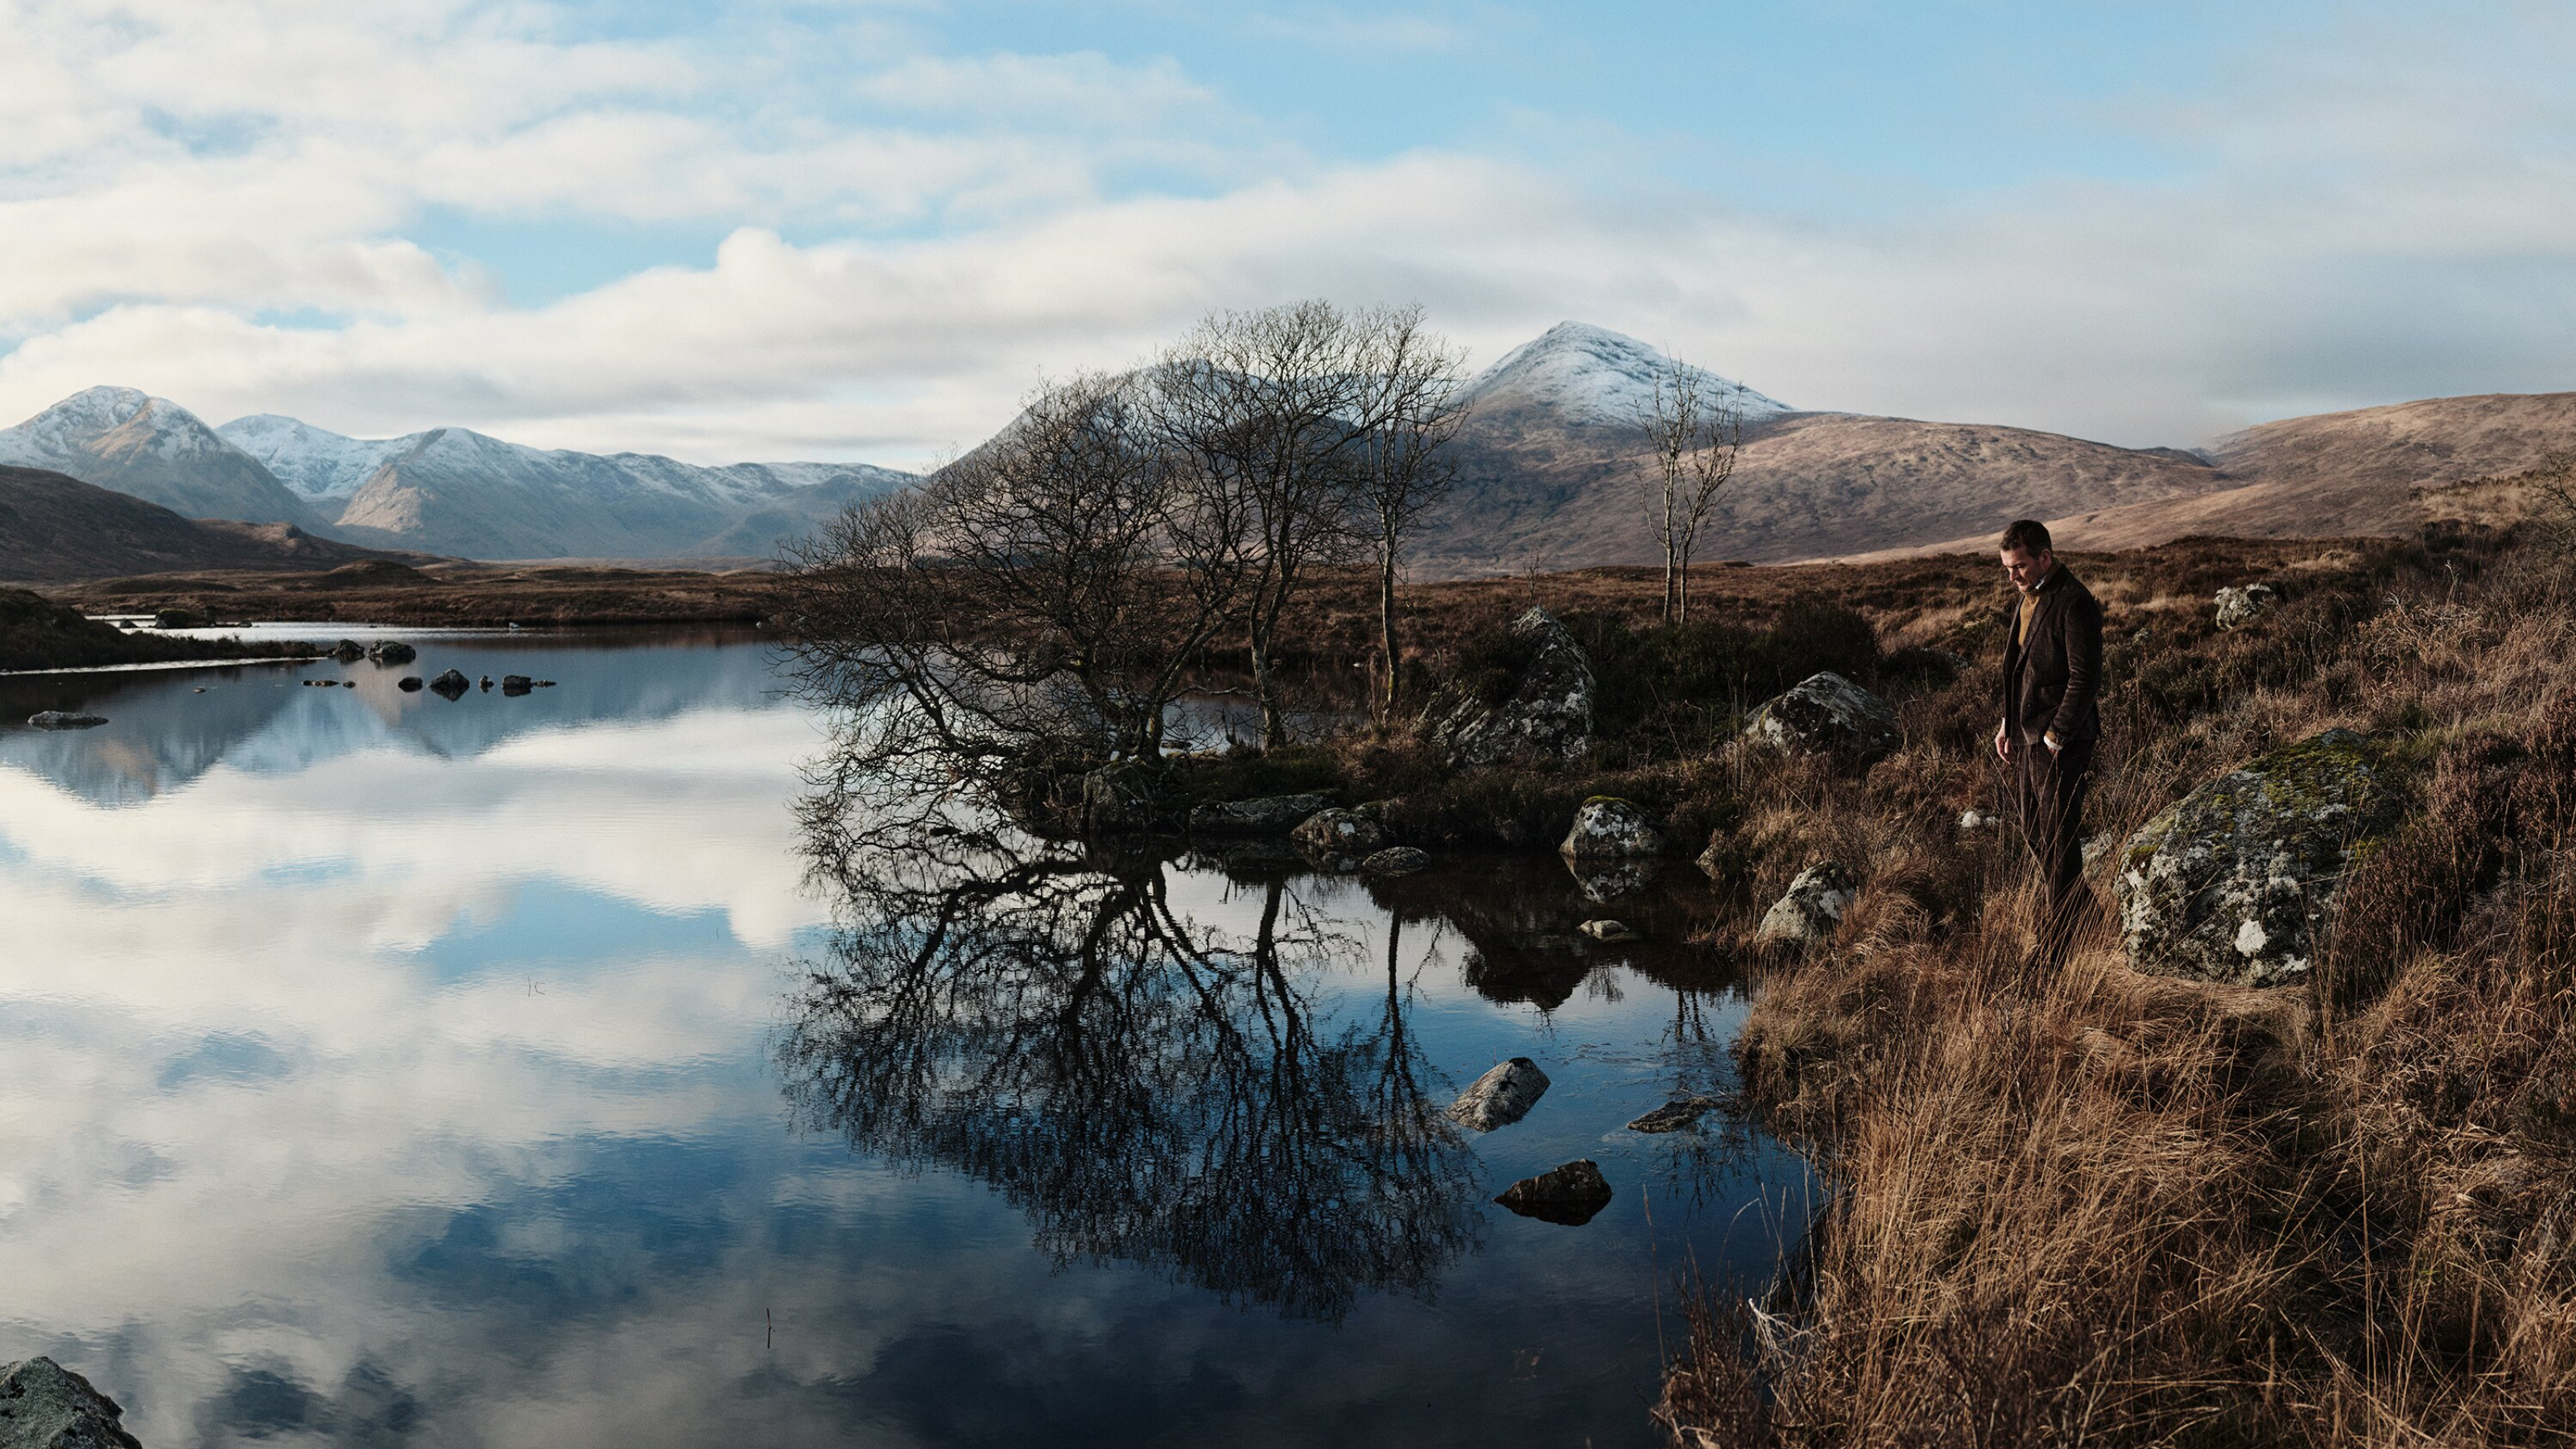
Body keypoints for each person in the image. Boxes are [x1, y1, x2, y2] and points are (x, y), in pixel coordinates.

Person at [1991, 518, 2103, 968]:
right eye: (2007, 568)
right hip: (2026, 738)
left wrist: (2058, 734)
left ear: (2045, 558)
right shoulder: (2028, 600)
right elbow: (2021, 670)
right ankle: (2087, 913)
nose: (2012, 577)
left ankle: (2056, 948)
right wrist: (2007, 722)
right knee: (2036, 832)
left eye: (2018, 567)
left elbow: (2085, 677)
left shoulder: (2074, 603)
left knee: (2058, 839)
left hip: (2060, 743)